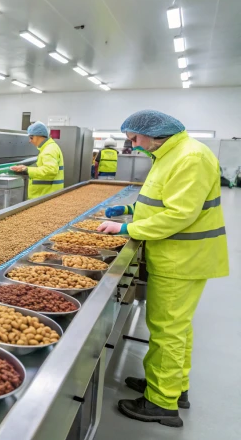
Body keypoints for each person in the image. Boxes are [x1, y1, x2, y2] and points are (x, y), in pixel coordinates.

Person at [97, 110, 229, 428]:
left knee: (167, 330)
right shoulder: (170, 153)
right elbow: (162, 200)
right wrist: (129, 209)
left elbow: (180, 215)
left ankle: (161, 403)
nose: (133, 143)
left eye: (135, 137)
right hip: (176, 254)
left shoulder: (190, 157)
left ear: (156, 133)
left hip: (181, 258)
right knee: (177, 328)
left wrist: (126, 230)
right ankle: (172, 388)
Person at [10, 122, 64, 199]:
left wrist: (27, 169)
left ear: (39, 136)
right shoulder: (49, 147)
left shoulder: (49, 150)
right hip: (46, 194)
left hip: (45, 195)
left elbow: (50, 170)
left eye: (31, 137)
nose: (30, 141)